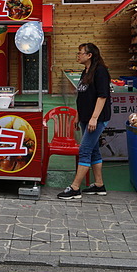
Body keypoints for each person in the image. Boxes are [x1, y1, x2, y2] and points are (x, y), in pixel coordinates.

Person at [57, 43, 112, 200]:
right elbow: (82, 96)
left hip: (96, 119)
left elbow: (102, 96)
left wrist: (94, 118)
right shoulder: (85, 72)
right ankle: (99, 185)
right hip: (85, 118)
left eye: (80, 53)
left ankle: (75, 188)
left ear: (89, 55)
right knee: (93, 150)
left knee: (84, 150)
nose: (78, 55)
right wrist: (78, 115)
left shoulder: (100, 72)